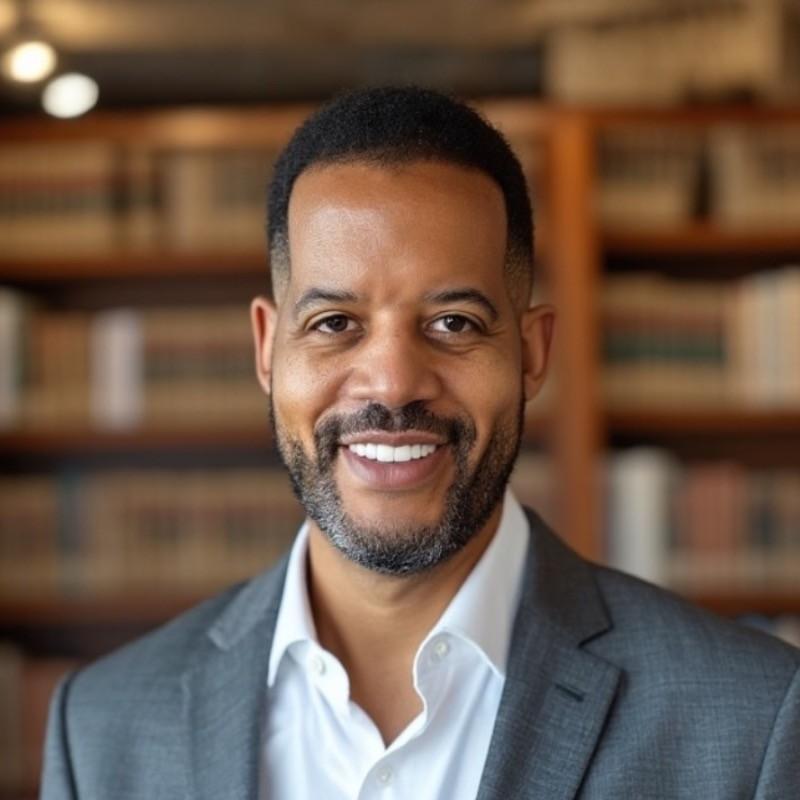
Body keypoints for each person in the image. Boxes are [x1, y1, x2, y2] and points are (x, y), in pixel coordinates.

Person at [42, 86, 799, 800]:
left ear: (532, 354)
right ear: (269, 352)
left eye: (454, 323)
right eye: (335, 323)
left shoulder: (750, 722)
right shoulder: (103, 731)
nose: (394, 385)